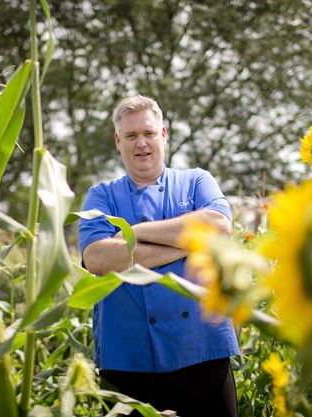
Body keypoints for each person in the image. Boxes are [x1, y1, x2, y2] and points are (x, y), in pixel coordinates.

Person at [78, 95, 238, 417]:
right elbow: (96, 257)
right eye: (132, 136)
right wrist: (188, 241)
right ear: (117, 141)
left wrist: (130, 234)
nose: (142, 144)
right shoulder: (101, 195)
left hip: (202, 349)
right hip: (128, 359)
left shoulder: (196, 181)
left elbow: (219, 227)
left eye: (149, 133)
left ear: (163, 135)